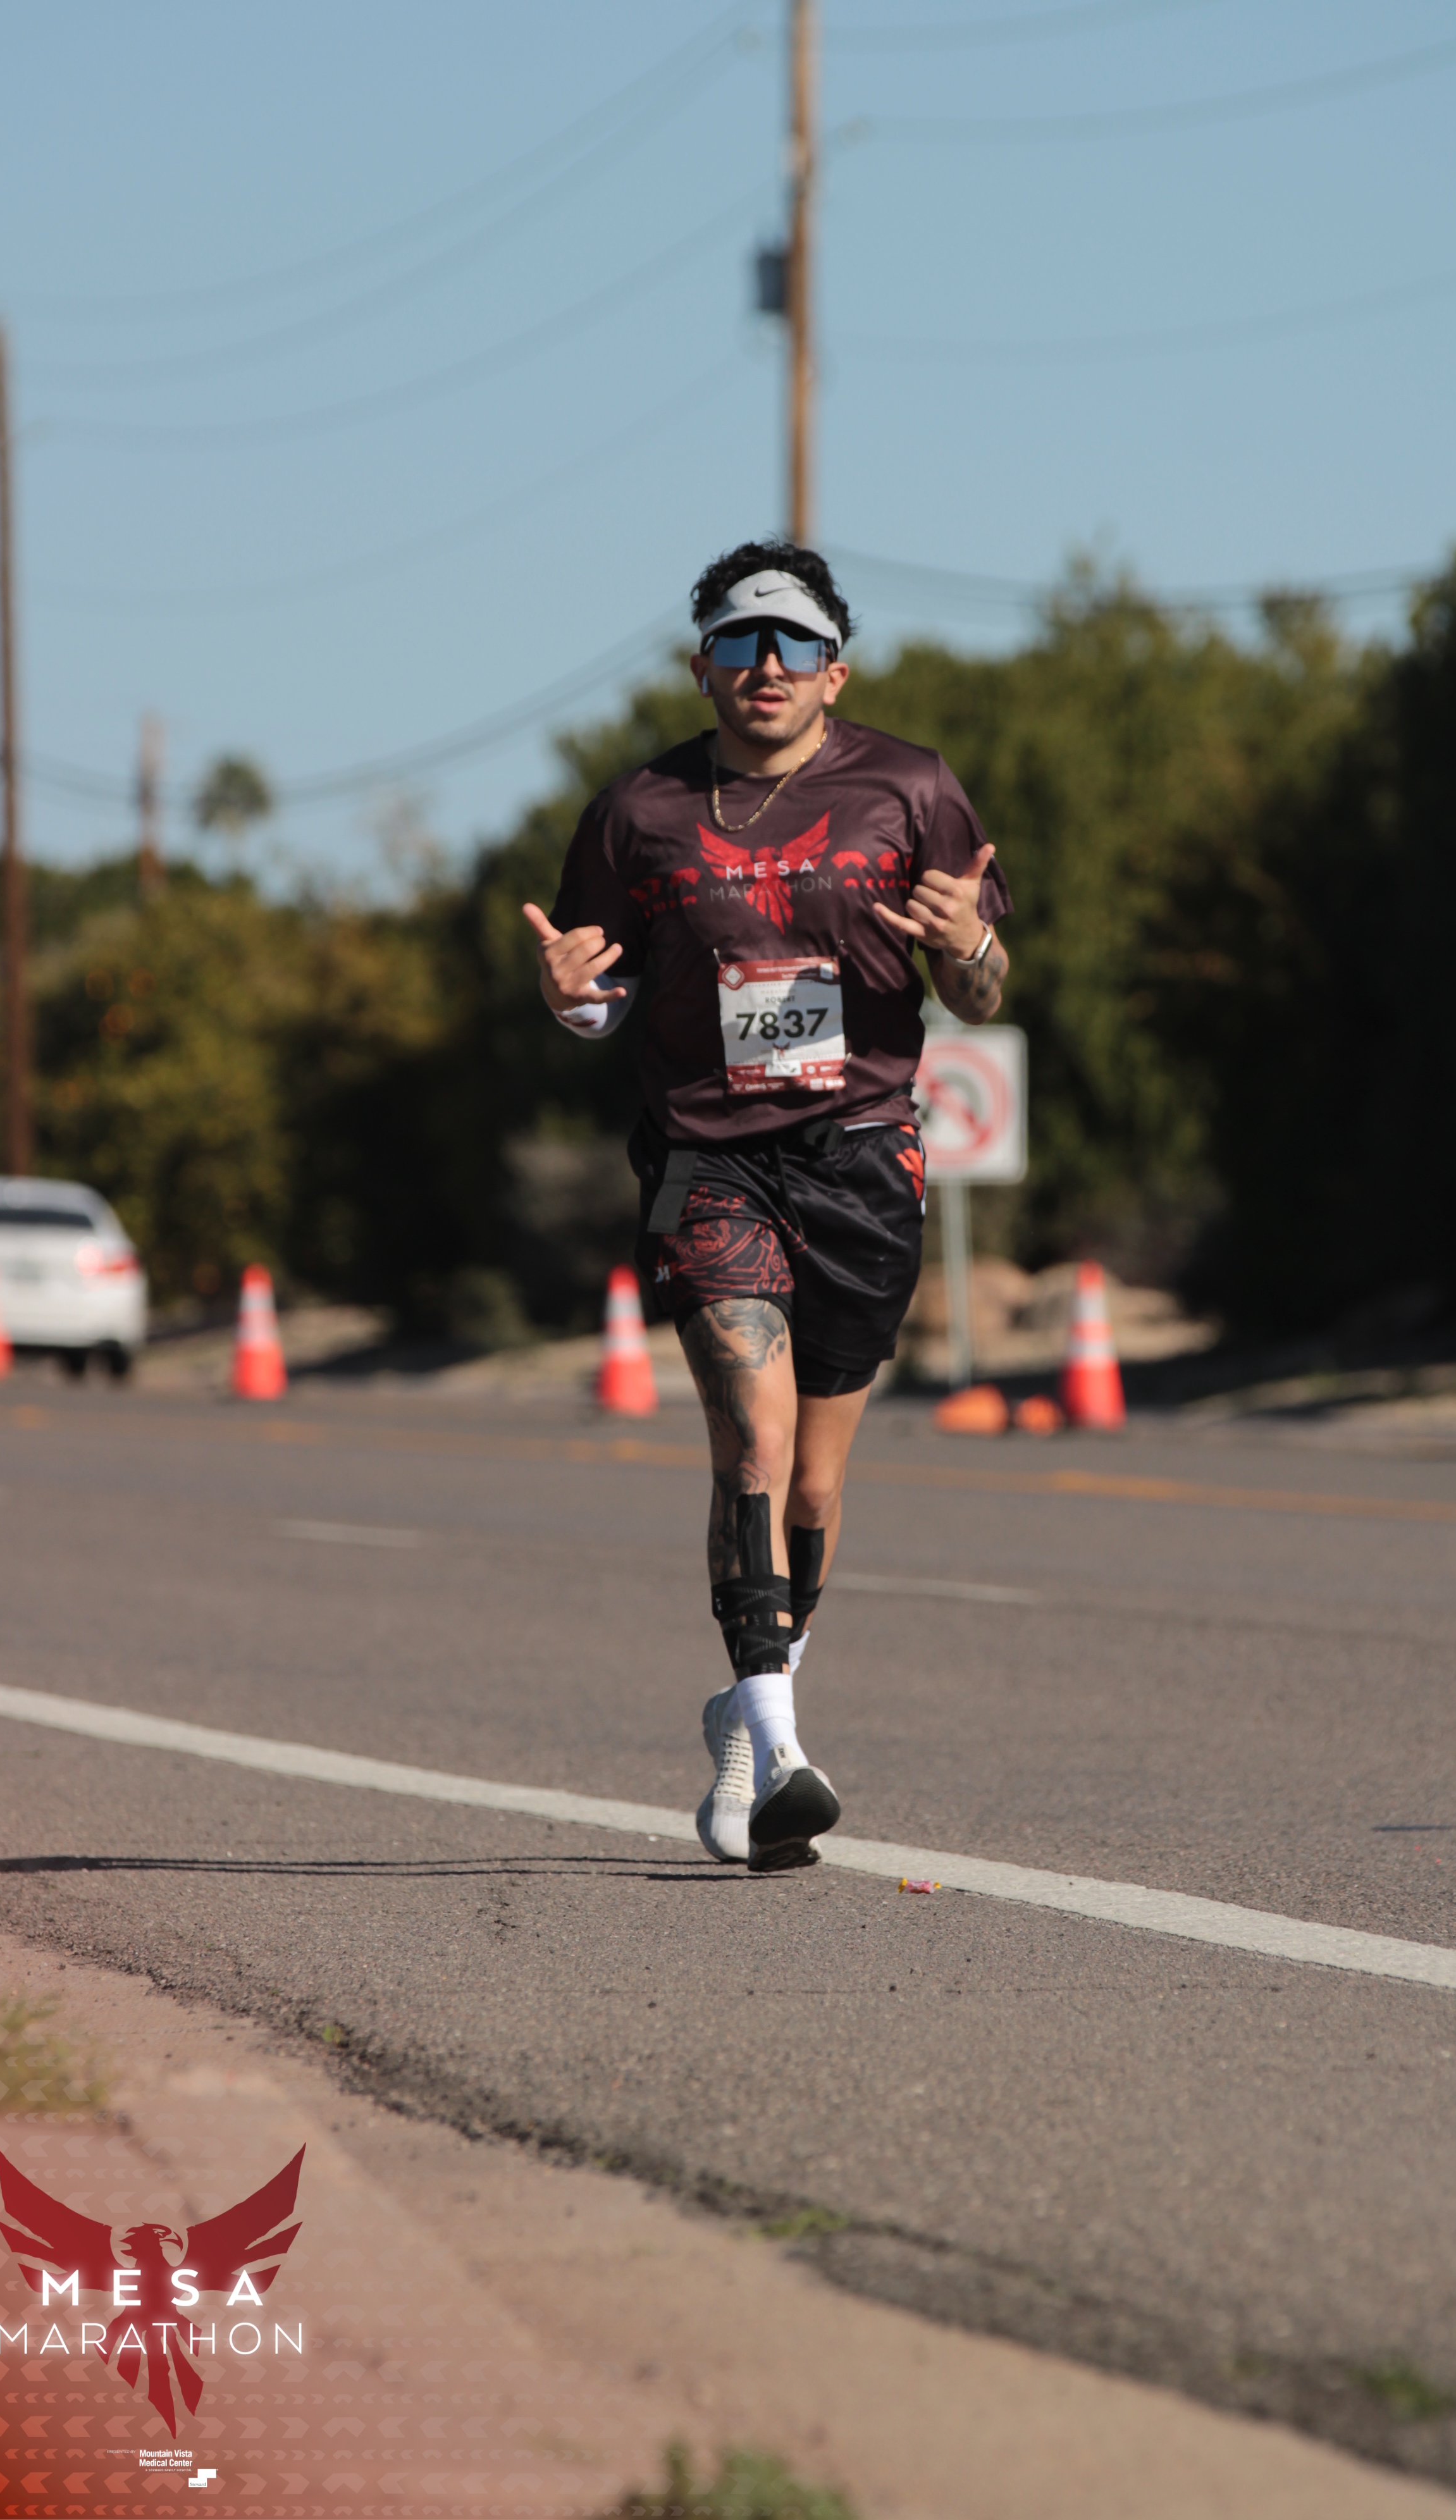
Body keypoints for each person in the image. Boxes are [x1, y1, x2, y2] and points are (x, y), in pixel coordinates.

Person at [524, 541, 1009, 1874]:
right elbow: (597, 997)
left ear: (835, 671)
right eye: (741, 643)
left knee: (816, 1479)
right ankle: (784, 1750)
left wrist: (969, 944)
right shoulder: (638, 811)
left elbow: (979, 993)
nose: (768, 666)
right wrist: (569, 1000)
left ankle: (749, 1713)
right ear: (704, 668)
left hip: (862, 1157)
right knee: (751, 1431)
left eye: (795, 643)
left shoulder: (910, 790)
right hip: (708, 1157)